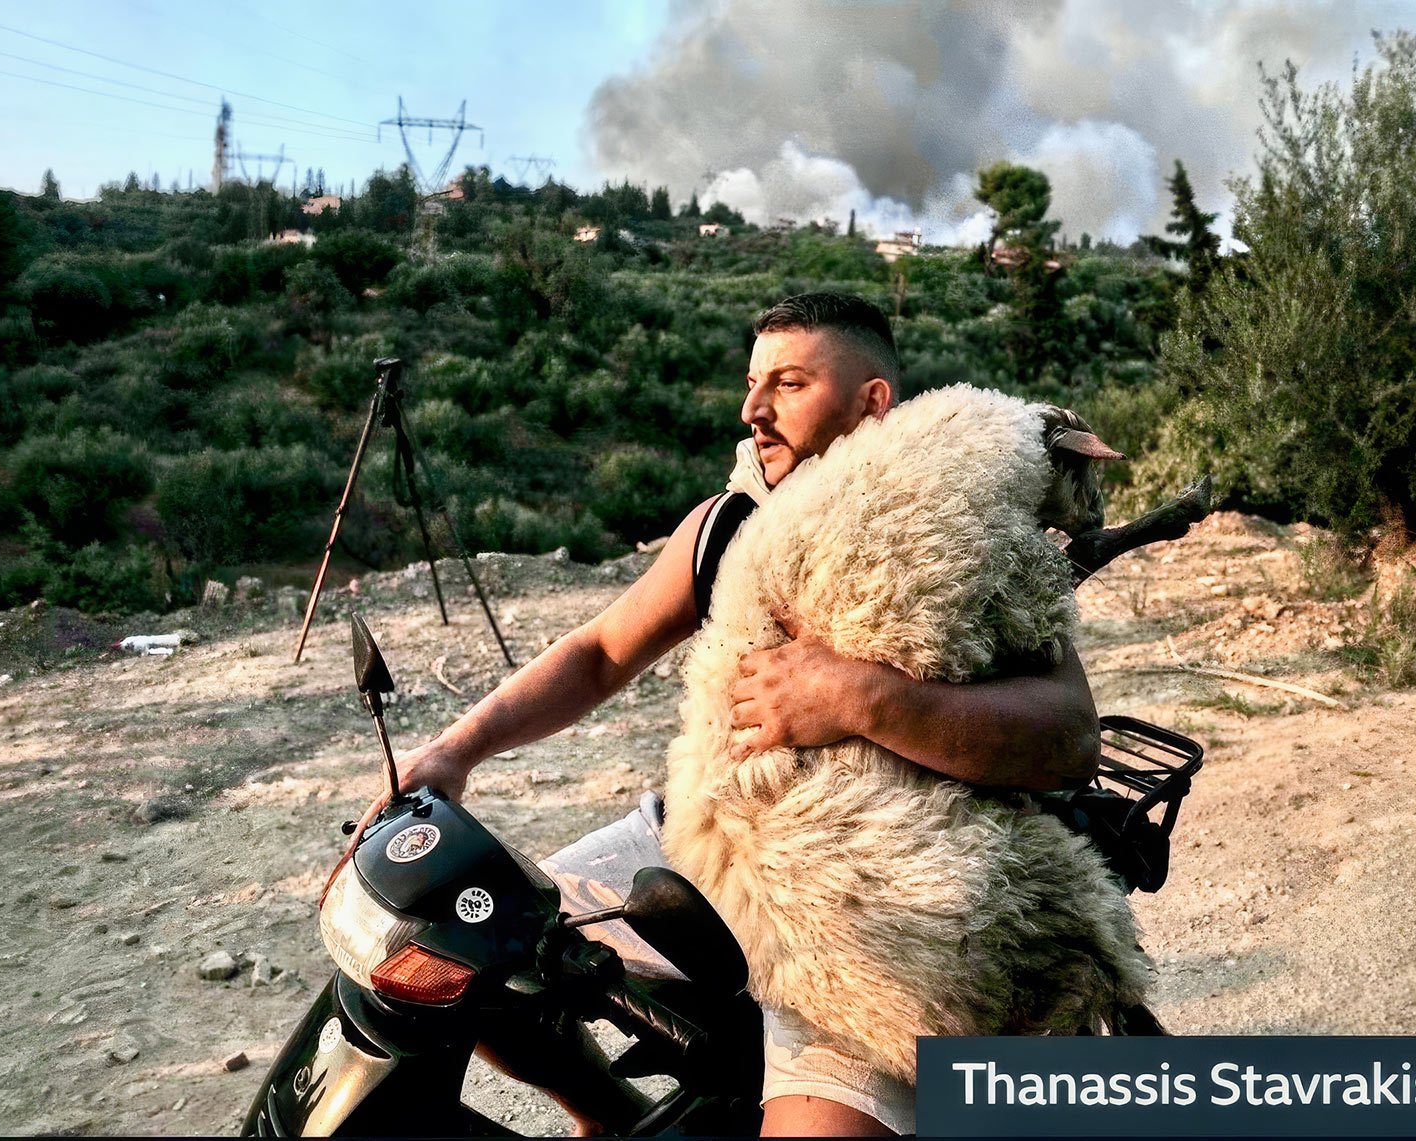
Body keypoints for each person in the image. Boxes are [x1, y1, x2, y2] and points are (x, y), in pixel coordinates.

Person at [356, 292, 1100, 1136]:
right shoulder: (729, 524)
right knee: (456, 944)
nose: (753, 410)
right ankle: (606, 1116)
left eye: (788, 383)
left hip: (866, 894)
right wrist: (459, 748)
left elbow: (1070, 735)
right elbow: (601, 650)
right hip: (704, 837)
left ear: (874, 401)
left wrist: (864, 698)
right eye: (752, 384)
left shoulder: (953, 527)